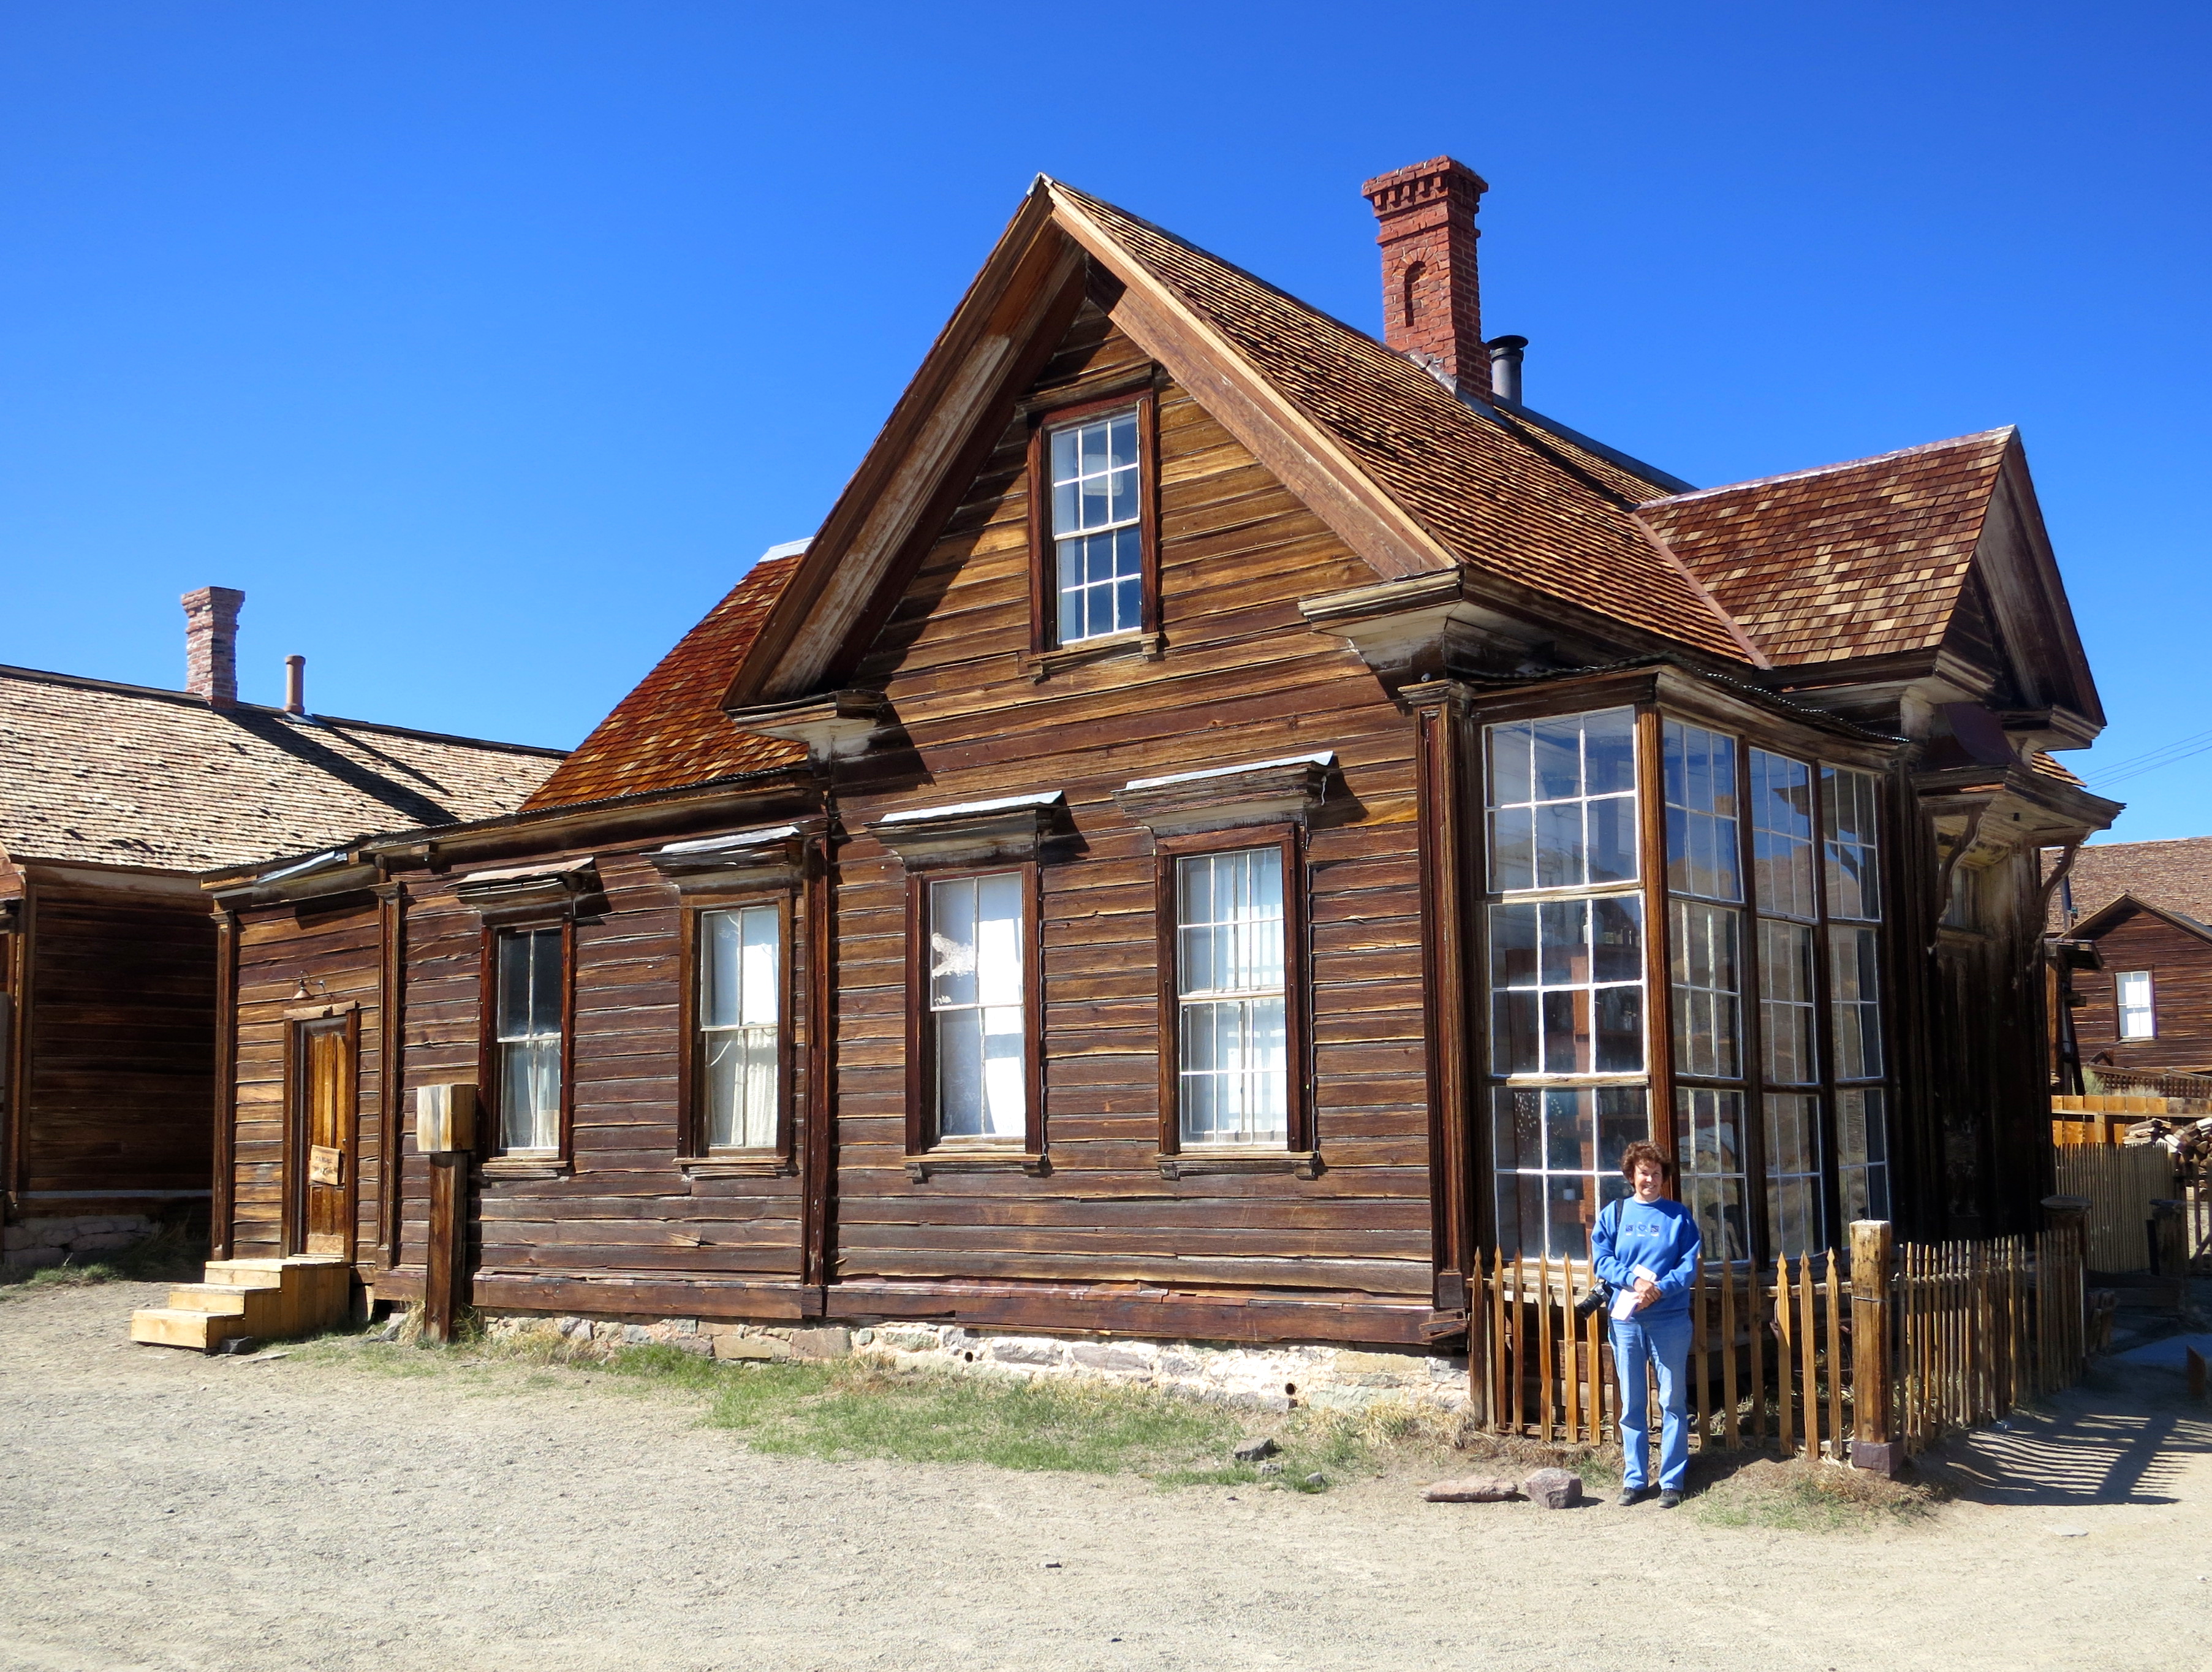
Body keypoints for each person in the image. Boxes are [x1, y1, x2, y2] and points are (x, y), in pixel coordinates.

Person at [1591, 1141, 1702, 1507]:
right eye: (1643, 1173)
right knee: (1633, 1402)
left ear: (1664, 1178)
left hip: (1669, 1319)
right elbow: (1602, 1259)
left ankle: (1672, 1480)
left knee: (1672, 1400)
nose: (1650, 1179)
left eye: (1656, 1173)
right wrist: (1634, 1282)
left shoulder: (1678, 1216)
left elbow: (1688, 1265)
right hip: (1626, 1320)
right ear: (1631, 1176)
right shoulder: (1615, 1213)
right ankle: (1635, 1479)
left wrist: (1660, 1289)